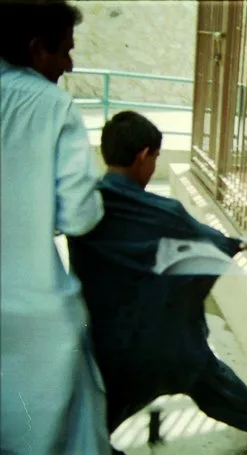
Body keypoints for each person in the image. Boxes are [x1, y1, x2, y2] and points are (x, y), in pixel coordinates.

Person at [66, 111, 247, 446]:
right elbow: (214, 247)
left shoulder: (84, 208)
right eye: (155, 157)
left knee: (90, 428)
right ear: (143, 155)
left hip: (108, 353)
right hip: (173, 351)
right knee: (206, 375)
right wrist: (244, 243)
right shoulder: (166, 213)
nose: (153, 165)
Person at [0, 1, 111, 454]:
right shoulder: (53, 105)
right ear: (35, 48)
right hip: (34, 307)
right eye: (64, 50)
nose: (70, 63)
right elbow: (78, 216)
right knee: (70, 430)